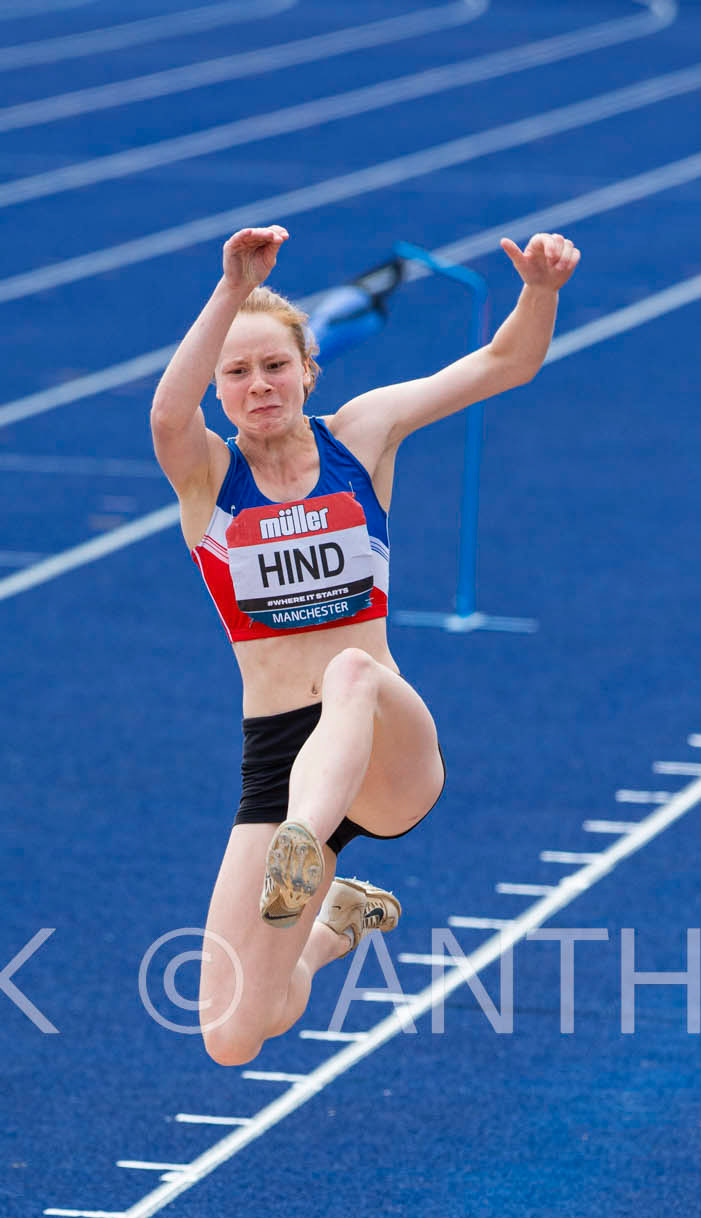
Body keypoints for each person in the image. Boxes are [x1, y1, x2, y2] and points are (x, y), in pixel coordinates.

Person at [150, 222, 580, 1066]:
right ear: (219, 391)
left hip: (383, 740)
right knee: (231, 1035)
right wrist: (231, 288)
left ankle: (302, 845)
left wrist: (540, 291)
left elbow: (503, 364)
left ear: (308, 371)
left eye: (275, 366)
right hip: (276, 757)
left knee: (348, 666)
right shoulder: (207, 480)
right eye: (235, 374)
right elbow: (168, 410)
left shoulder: (360, 436)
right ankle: (328, 923)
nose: (258, 385)